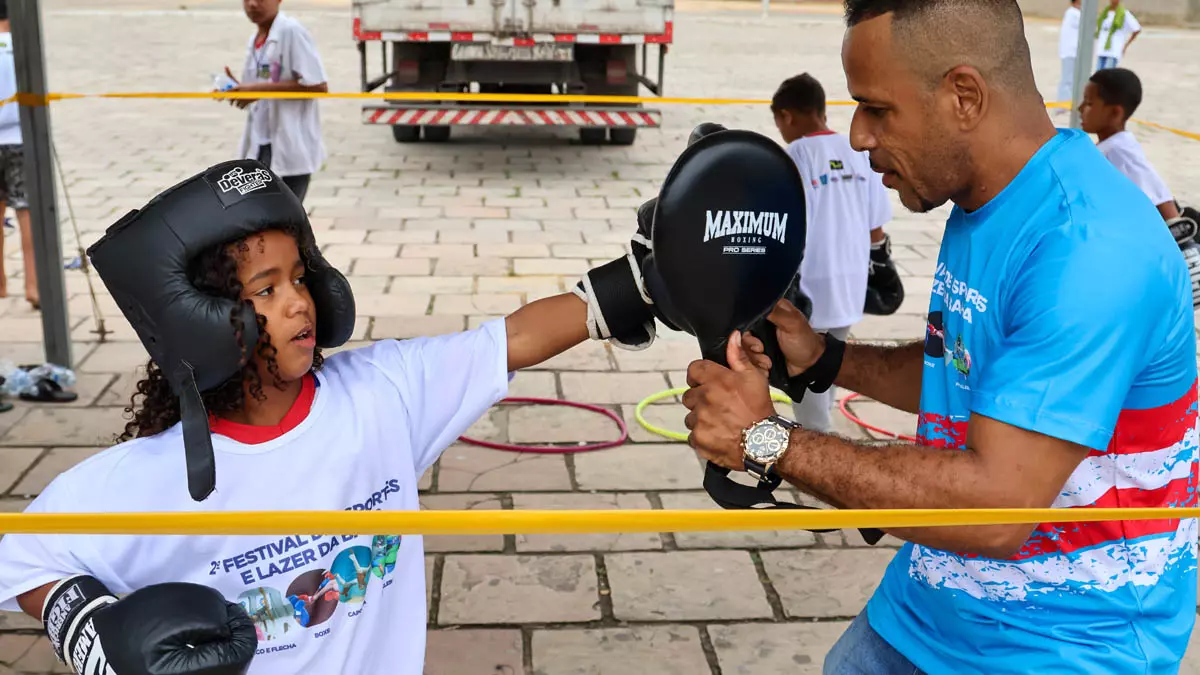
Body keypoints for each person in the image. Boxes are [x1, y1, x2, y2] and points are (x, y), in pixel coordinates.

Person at [681, 1, 1198, 674]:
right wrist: (825, 357)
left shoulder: (1089, 250)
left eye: (876, 108)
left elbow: (994, 509)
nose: (858, 136)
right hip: (930, 603)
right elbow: (965, 369)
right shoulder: (989, 199)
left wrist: (765, 439)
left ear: (964, 96)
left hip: (1064, 645)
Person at [0, 158, 664, 674]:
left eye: (299, 276)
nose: (299, 302)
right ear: (196, 319)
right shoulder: (148, 477)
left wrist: (641, 282)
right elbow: (23, 558)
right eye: (266, 289)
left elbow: (511, 338)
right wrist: (90, 631)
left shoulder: (381, 393)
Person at [769, 72, 896, 432]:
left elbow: (784, 225)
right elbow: (876, 225)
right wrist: (880, 262)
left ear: (786, 116)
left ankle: (818, 437)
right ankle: (821, 423)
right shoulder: (858, 152)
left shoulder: (794, 156)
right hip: (852, 279)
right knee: (834, 354)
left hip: (811, 282)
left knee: (804, 361)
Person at [223, 0, 328, 203]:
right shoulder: (256, 39)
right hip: (262, 141)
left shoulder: (291, 32)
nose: (253, 4)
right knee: (260, 211)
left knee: (284, 216)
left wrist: (256, 90)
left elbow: (318, 86)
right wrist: (238, 89)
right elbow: (259, 86)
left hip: (291, 142)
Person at [1078, 67, 1182, 221]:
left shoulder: (1119, 152)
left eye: (1089, 103)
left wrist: (1176, 228)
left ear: (1115, 113)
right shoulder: (1111, 146)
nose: (1080, 108)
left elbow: (1161, 201)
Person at [0, 0, 37, 309]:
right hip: (20, 138)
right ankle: (34, 285)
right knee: (27, 214)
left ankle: (0, 282)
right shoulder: (22, 47)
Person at [1095, 0, 1140, 70]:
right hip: (1102, 49)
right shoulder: (1105, 12)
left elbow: (1136, 29)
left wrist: (1126, 45)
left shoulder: (1123, 13)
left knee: (1108, 73)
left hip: (1114, 50)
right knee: (1098, 74)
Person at [1057, 0, 1080, 108]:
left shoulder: (1071, 13)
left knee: (1069, 79)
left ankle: (1064, 103)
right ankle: (1064, 104)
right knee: (1068, 80)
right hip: (1070, 52)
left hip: (1070, 51)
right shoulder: (1074, 13)